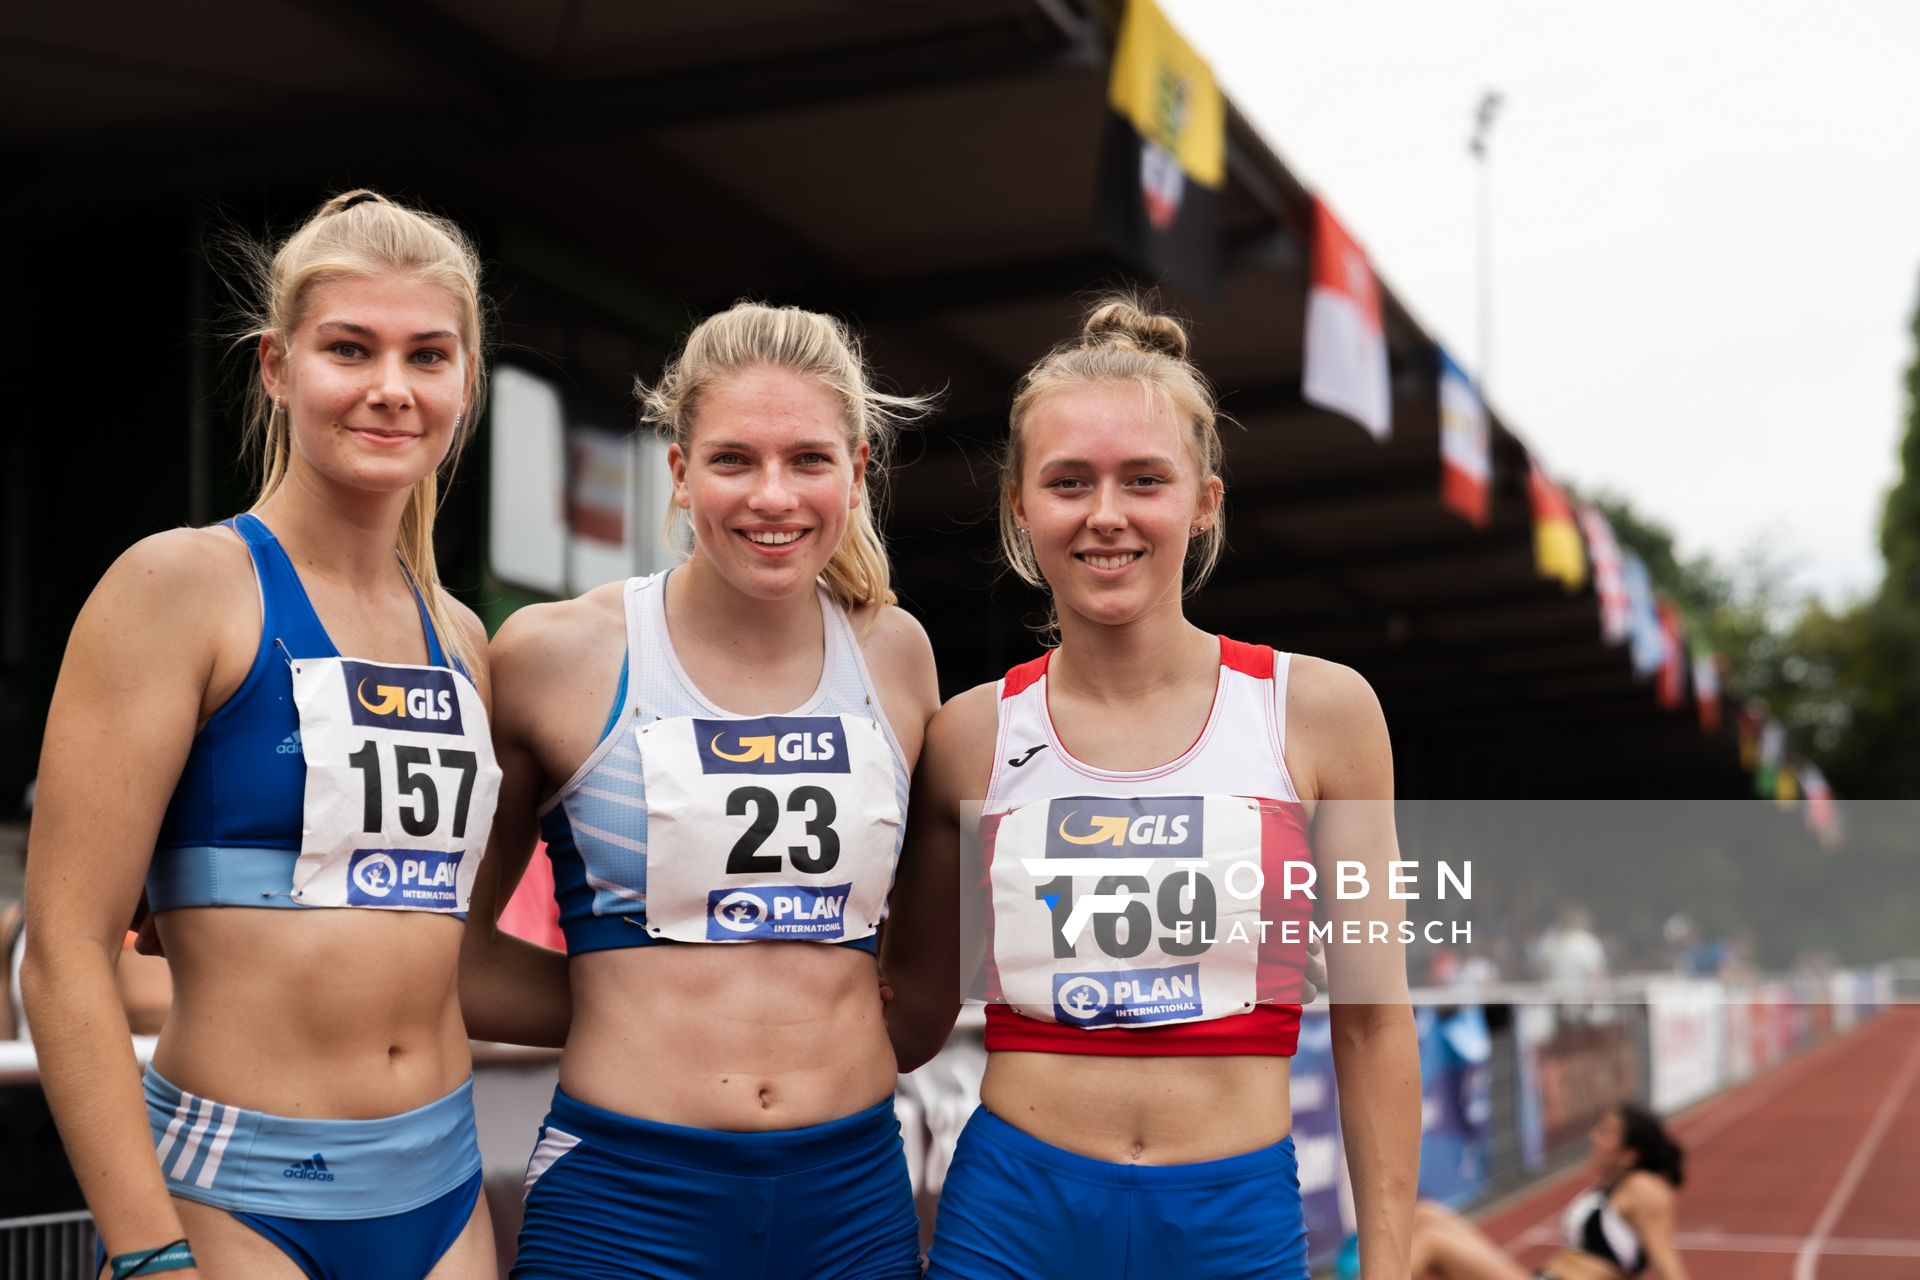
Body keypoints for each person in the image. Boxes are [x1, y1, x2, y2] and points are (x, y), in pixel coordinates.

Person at [883, 296, 1421, 1279]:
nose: (1106, 515)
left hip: (1232, 1221)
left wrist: (1387, 1262)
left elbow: (1374, 1014)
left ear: (1204, 500)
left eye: (1145, 480)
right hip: (1012, 1222)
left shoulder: (1320, 713)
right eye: (1068, 482)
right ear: (1020, 504)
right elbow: (909, 1017)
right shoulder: (966, 736)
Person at [22, 189, 502, 1280]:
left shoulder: (464, 639)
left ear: (465, 382)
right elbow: (64, 953)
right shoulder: (180, 585)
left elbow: (449, 940)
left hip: (442, 1193)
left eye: (429, 355)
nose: (390, 387)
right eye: (350, 348)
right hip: (237, 1202)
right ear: (277, 367)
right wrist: (148, 1251)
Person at [465, 301, 940, 1279]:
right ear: (678, 474)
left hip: (849, 1198)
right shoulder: (556, 655)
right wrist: (625, 1002)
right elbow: (446, 946)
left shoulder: (896, 654)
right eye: (733, 460)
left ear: (856, 472)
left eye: (808, 459)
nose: (773, 495)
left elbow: (926, 951)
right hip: (623, 1197)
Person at [1408, 1104, 1690, 1280]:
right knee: (1427, 1215)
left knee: (1433, 1240)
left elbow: (1668, 1267)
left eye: (1607, 1133)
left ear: (1630, 1153)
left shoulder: (1645, 1190)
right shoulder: (1607, 1189)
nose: (1595, 1137)